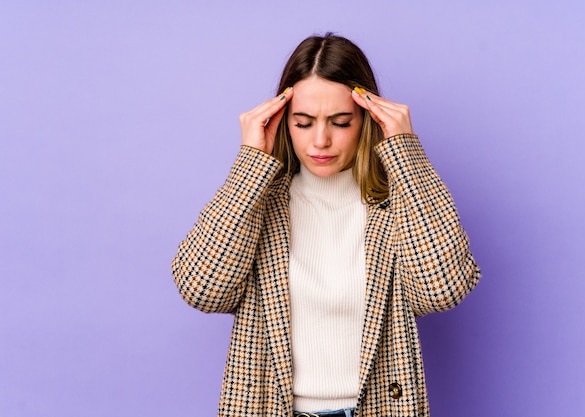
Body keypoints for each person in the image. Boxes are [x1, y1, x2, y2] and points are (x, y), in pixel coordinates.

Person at [172, 33, 481, 417]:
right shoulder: (261, 204)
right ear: (283, 120)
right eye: (303, 123)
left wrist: (405, 152)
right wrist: (249, 165)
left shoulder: (395, 206)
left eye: (340, 121)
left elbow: (443, 290)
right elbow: (202, 290)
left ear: (366, 118)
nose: (321, 140)